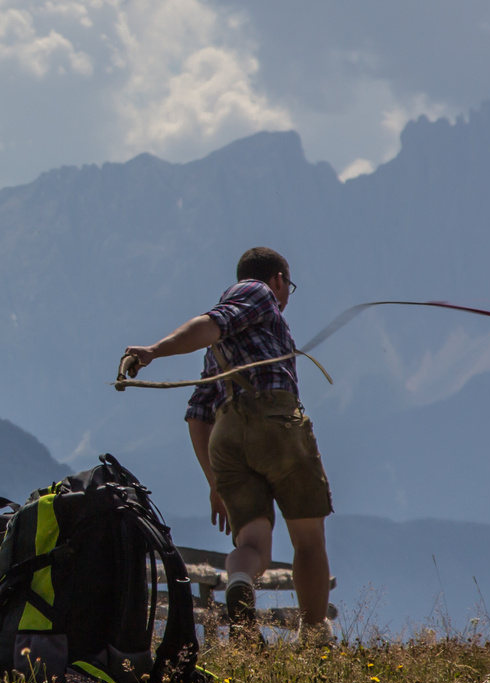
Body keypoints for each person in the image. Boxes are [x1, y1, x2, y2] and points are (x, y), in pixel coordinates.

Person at [119, 247, 334, 646]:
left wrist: (214, 482)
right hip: (275, 424)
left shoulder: (218, 352)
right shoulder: (256, 292)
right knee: (308, 539)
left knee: (252, 543)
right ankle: (316, 637)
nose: (285, 298)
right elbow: (212, 321)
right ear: (279, 280)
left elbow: (198, 415)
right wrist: (154, 351)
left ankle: (239, 583)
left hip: (227, 437)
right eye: (288, 287)